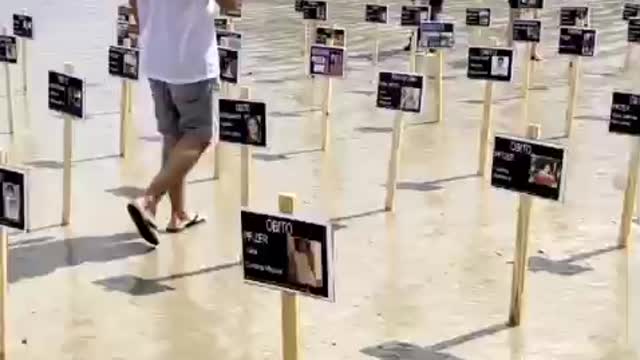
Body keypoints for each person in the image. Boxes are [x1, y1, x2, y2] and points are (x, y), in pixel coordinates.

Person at [127, 0, 240, 245]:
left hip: (156, 60)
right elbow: (233, 4)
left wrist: (147, 30)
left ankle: (178, 215)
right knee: (200, 135)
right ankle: (149, 199)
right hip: (191, 64)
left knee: (173, 136)